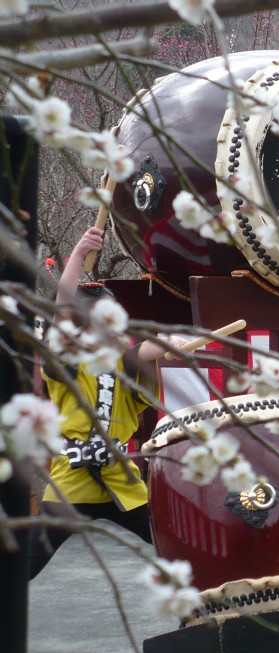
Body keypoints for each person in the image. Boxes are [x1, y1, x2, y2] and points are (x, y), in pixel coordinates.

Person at [30, 226, 186, 579]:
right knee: (25, 564)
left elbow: (153, 347)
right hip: (72, 481)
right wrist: (78, 254)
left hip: (122, 480)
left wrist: (178, 338)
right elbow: (63, 309)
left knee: (174, 552)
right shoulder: (67, 363)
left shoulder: (126, 363)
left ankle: (198, 615)